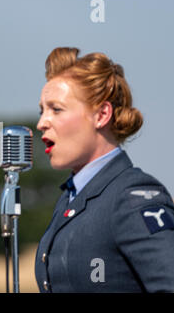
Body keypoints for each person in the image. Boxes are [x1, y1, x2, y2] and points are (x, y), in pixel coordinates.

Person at [34, 47, 174, 292]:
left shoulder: (132, 197)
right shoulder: (70, 198)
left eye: (56, 109)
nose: (42, 123)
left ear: (101, 115)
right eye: (42, 110)